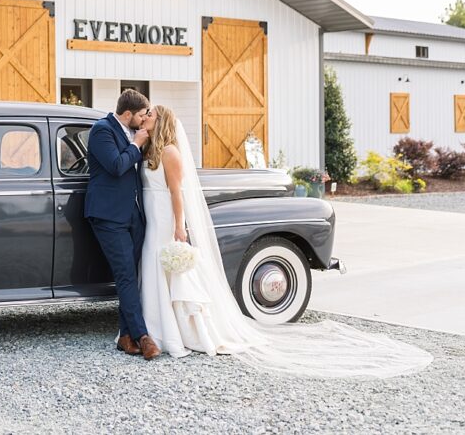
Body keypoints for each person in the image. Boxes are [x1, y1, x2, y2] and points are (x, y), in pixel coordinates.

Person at [137, 104, 433, 378]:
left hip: (165, 220)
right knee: (154, 270)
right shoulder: (150, 150)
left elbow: (177, 194)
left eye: (150, 113)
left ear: (160, 121)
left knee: (170, 272)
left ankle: (174, 332)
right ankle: (158, 327)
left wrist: (179, 227)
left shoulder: (171, 153)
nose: (145, 115)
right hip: (152, 219)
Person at [84, 89, 161, 360]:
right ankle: (143, 336)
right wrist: (136, 144)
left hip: (132, 215)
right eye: (141, 115)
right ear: (128, 114)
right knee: (126, 274)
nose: (143, 120)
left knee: (132, 275)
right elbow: (116, 166)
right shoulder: (101, 130)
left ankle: (126, 336)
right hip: (108, 215)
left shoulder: (134, 133)